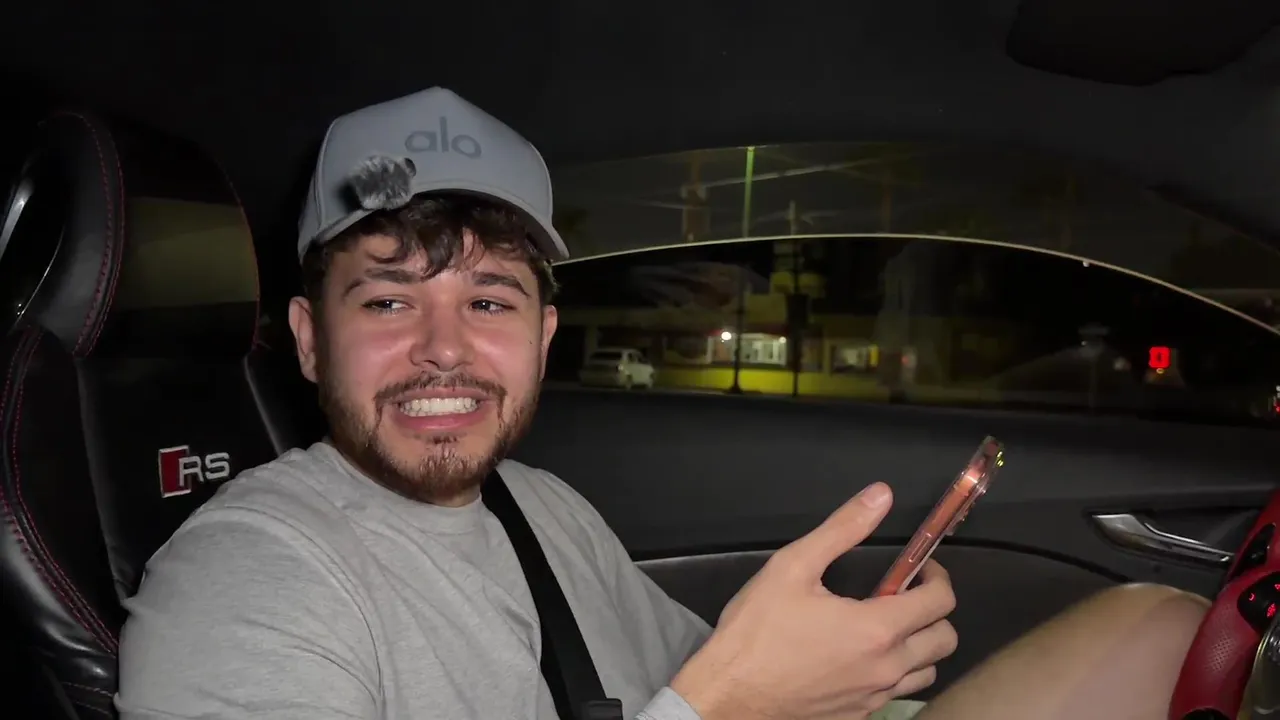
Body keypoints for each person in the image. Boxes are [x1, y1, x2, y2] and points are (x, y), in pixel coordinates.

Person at [115, 86, 1210, 720]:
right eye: (389, 298)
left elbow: (688, 678)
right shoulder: (245, 583)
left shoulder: (542, 508)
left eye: (489, 300)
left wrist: (835, 671)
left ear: (543, 338)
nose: (443, 349)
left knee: (1156, 625)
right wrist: (730, 705)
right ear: (309, 341)